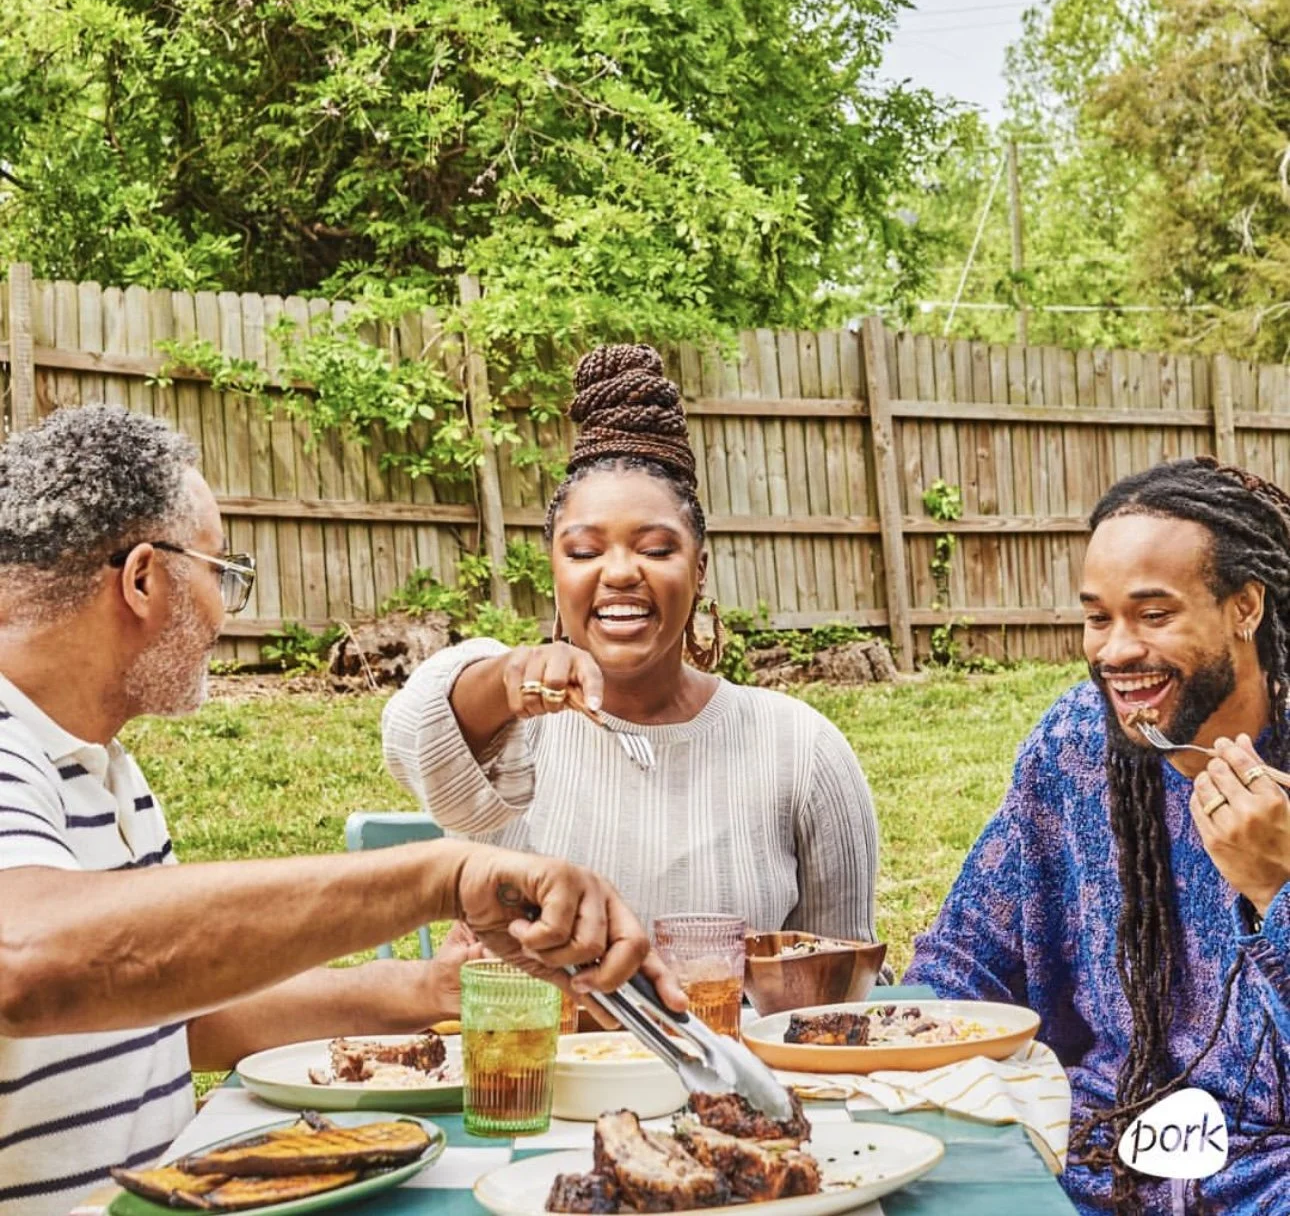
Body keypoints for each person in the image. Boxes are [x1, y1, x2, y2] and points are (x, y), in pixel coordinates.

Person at [0, 404, 681, 1216]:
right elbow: (27, 960)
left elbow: (169, 1016)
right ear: (144, 579)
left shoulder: (99, 765)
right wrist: (441, 873)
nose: (227, 611)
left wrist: (432, 986)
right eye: (224, 572)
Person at [382, 342, 879, 941]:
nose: (619, 573)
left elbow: (836, 986)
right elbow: (413, 729)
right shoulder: (505, 726)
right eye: (586, 552)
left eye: (655, 549)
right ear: (554, 571)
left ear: (699, 568)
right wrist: (512, 678)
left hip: (729, 1038)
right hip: (535, 1039)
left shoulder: (799, 749)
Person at [908, 456, 1290, 1215]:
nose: (1115, 651)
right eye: (1097, 617)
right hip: (1099, 1157)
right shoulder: (1076, 746)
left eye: (1153, 615)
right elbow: (966, 955)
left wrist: (1279, 888)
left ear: (1244, 607)